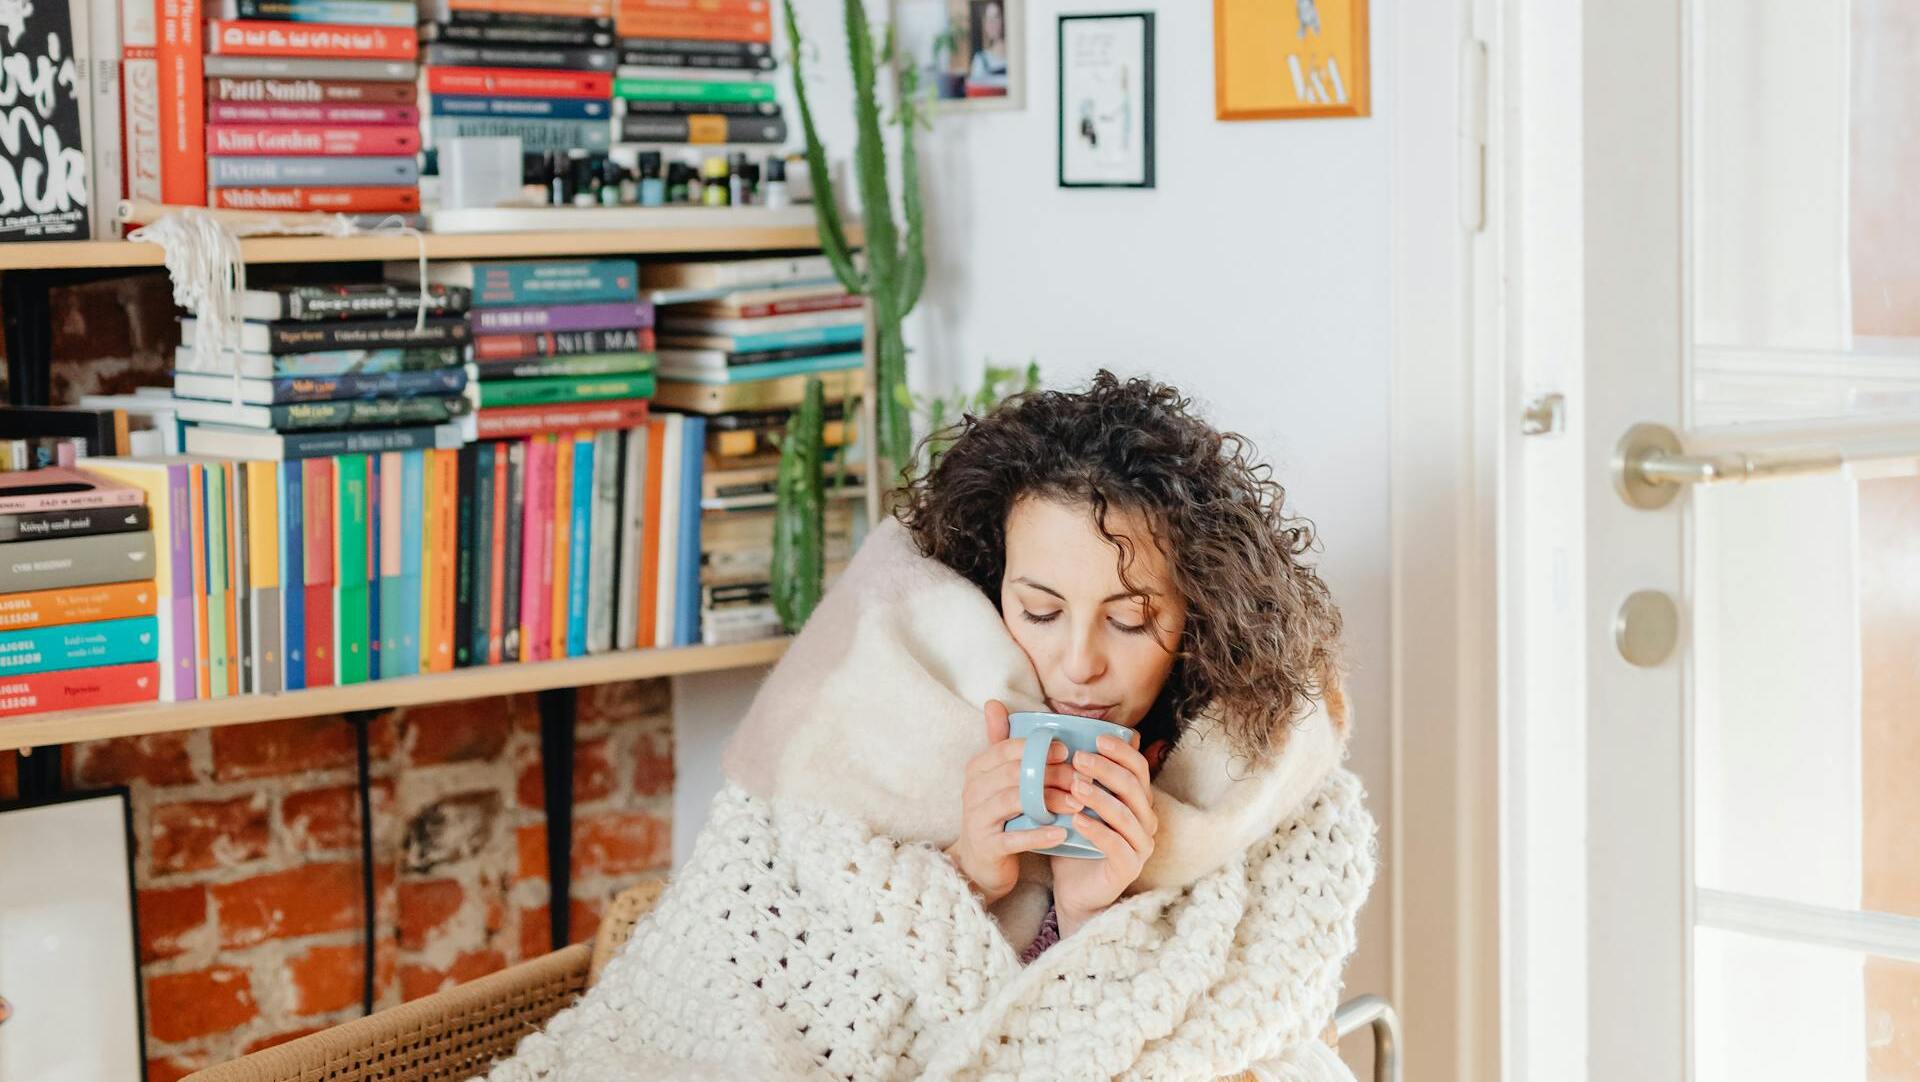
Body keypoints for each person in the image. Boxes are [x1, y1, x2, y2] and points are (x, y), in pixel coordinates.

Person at [897, 370, 1345, 962]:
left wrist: (1089, 914)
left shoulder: (1279, 776)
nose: (1080, 666)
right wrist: (969, 874)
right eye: (1040, 611)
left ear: (1201, 609)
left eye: (1130, 620)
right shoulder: (900, 702)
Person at [967, 0, 1009, 92]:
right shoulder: (981, 60)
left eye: (996, 17)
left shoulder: (1019, 58)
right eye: (988, 19)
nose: (991, 23)